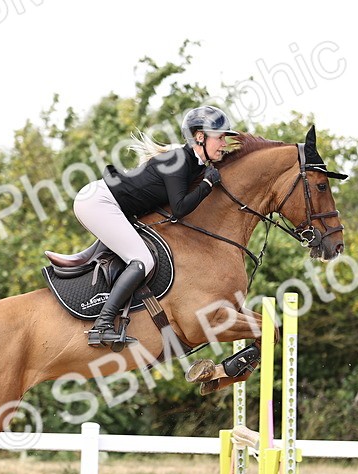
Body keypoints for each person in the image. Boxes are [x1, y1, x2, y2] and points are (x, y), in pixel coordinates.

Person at [73, 105, 239, 347]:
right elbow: (179, 208)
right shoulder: (179, 160)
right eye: (220, 137)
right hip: (98, 202)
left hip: (110, 204)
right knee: (143, 260)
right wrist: (206, 184)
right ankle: (102, 325)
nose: (224, 143)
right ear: (200, 137)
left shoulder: (193, 163)